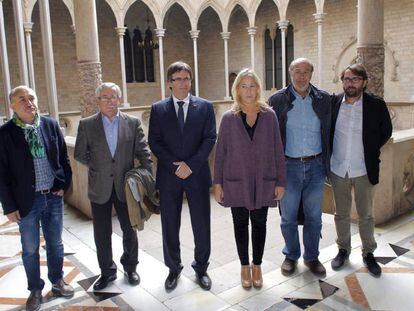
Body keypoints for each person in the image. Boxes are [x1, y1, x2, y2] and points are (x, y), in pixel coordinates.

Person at [0, 86, 74, 311]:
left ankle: (58, 282)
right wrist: (9, 206)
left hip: (52, 197)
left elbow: (63, 157)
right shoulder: (5, 133)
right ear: (12, 105)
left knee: (55, 244)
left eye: (31, 97)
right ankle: (35, 289)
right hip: (26, 201)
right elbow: (1, 173)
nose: (28, 102)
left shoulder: (50, 125)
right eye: (21, 99)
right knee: (30, 249)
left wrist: (62, 184)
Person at [74, 82, 152, 290]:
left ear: (119, 99)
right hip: (99, 187)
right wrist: (99, 167)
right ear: (98, 101)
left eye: (113, 97)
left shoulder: (132, 123)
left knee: (130, 229)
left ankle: (130, 267)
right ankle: (107, 272)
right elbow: (80, 154)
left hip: (125, 187)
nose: (109, 101)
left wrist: (147, 178)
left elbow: (143, 152)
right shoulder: (87, 124)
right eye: (105, 97)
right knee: (102, 232)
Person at [213, 69, 286, 288]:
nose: (248, 90)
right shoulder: (228, 118)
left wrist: (281, 181)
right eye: (243, 86)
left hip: (264, 180)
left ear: (258, 88)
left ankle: (257, 264)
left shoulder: (269, 115)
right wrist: (218, 183)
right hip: (237, 181)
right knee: (240, 224)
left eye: (252, 85)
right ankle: (244, 266)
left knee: (260, 223)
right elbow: (221, 153)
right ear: (237, 89)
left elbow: (277, 150)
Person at [148, 61, 216, 291]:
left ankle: (201, 268)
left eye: (186, 78)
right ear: (169, 83)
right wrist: (175, 166)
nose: (183, 82)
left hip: (196, 174)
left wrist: (191, 165)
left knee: (202, 223)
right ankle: (173, 268)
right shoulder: (158, 109)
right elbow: (154, 142)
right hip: (169, 176)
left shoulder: (205, 107)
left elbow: (210, 138)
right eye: (177, 79)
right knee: (169, 224)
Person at [268, 58, 331, 276]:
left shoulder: (324, 99)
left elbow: (330, 132)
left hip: (316, 166)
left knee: (314, 216)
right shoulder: (277, 100)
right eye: (297, 71)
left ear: (312, 74)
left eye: (305, 72)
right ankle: (291, 255)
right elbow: (270, 136)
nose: (301, 76)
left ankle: (312, 257)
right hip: (288, 167)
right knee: (288, 217)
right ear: (290, 73)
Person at [330, 64, 392, 276]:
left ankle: (368, 253)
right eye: (347, 79)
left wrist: (369, 152)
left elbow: (386, 132)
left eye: (355, 79)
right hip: (338, 169)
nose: (350, 83)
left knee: (366, 215)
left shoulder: (376, 105)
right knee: (341, 214)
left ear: (364, 82)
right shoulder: (334, 103)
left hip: (364, 169)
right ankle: (343, 249)